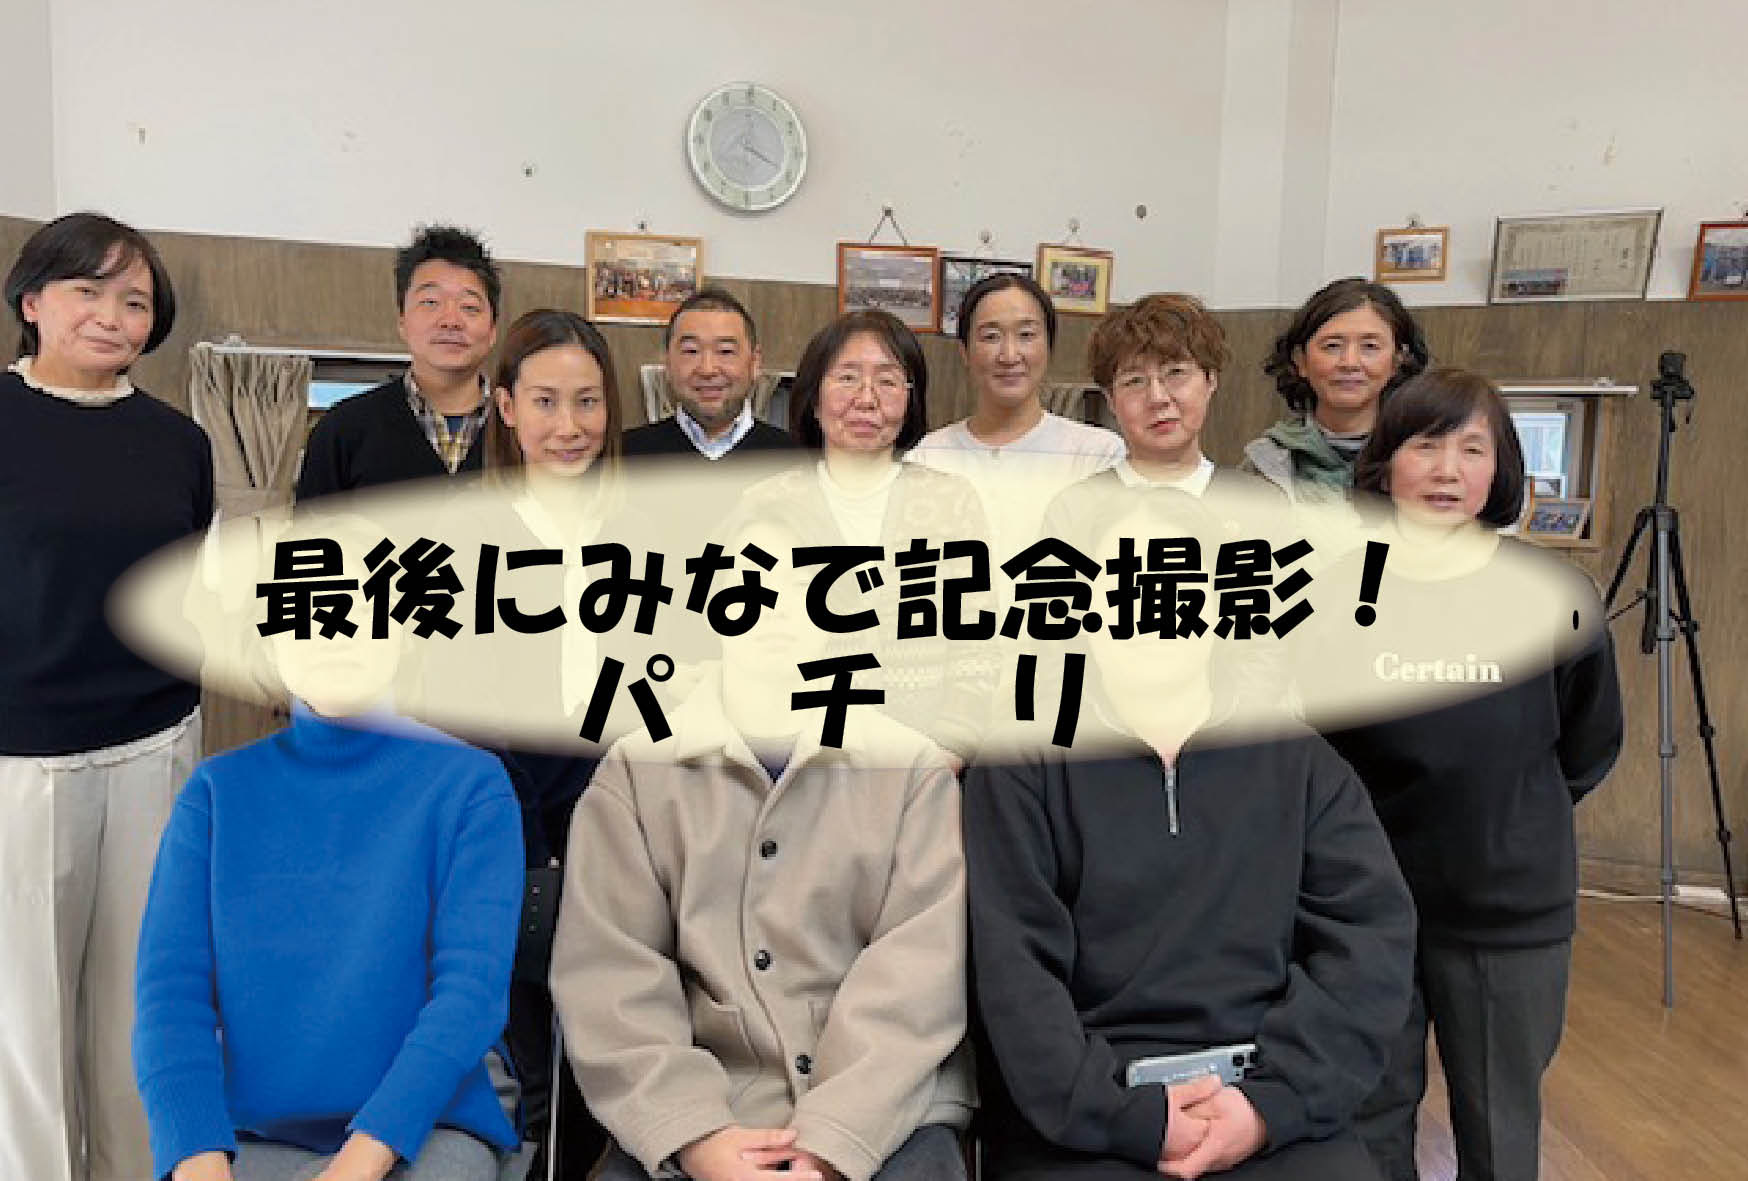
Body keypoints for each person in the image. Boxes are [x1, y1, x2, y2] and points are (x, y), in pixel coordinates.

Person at [964, 489, 1417, 1181]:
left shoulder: (1299, 761)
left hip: (1266, 1093)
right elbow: (1013, 975)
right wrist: (1128, 1117)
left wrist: (1269, 1104)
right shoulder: (1020, 764)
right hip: (1083, 1114)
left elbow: (1368, 943)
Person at [549, 508, 974, 1181]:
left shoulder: (912, 770)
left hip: (889, 1116)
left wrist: (831, 1143)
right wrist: (697, 1137)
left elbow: (919, 977)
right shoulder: (634, 771)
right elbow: (612, 976)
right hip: (705, 1109)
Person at [1314, 368, 1623, 1181]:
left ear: (1500, 468)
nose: (1447, 470)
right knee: (1367, 1113)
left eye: (1472, 449)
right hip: (1368, 903)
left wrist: (1510, 816)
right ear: (1386, 463)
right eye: (1425, 445)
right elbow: (1315, 748)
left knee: (1499, 1122)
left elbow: (1588, 741)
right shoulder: (1340, 592)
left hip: (1507, 909)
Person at [132, 618, 524, 1181]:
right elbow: (170, 999)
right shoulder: (215, 794)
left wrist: (360, 1163)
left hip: (424, 1131)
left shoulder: (473, 787)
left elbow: (470, 996)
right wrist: (198, 1160)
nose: (334, 636)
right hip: (252, 1139)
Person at [0, 211, 214, 1181]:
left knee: (145, 1004)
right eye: (87, 290)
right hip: (20, 757)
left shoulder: (180, 441)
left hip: (155, 743)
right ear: (31, 300)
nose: (111, 315)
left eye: (134, 300)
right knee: (27, 1016)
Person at [477, 308, 626, 1179]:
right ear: (506, 407)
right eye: (545, 402)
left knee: (612, 1045)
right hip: (511, 828)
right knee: (528, 1050)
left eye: (587, 401)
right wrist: (538, 845)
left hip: (625, 820)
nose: (569, 425)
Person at [730, 308, 994, 764]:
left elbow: (978, 645)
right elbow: (743, 641)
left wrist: (946, 754)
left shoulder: (951, 502)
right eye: (848, 378)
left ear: (911, 400)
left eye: (888, 381)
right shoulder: (766, 504)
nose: (867, 399)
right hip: (797, 760)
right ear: (814, 397)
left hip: (926, 763)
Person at [907, 273, 1124, 558]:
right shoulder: (928, 458)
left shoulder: (1098, 456)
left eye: (1026, 335)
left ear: (1049, 346)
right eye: (991, 337)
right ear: (965, 352)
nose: (1009, 355)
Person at [295, 225, 502, 500]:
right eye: (430, 302)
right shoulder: (342, 430)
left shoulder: (525, 430)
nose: (451, 321)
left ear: (492, 331)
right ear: (402, 322)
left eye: (470, 307)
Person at [1240, 278, 1429, 503]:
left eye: (1370, 346)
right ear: (1300, 361)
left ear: (1397, 361)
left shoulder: (1427, 456)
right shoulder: (1265, 462)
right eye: (1332, 346)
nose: (1350, 363)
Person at [620, 287, 794, 461]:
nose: (707, 369)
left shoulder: (794, 460)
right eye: (691, 351)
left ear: (754, 363)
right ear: (668, 363)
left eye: (725, 351)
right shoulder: (624, 456)